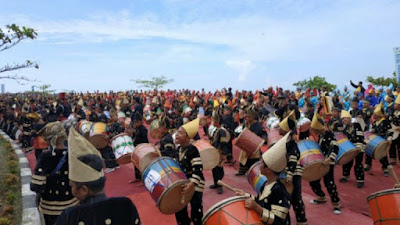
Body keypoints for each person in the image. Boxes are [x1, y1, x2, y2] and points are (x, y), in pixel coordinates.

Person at [55, 128, 141, 225]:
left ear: (84, 190)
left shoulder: (70, 216)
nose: (72, 190)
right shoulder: (125, 205)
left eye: (72, 186)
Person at [235, 132, 292, 225]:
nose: (259, 165)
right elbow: (261, 202)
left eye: (262, 163)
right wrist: (247, 196)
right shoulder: (265, 184)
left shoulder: (280, 191)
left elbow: (280, 220)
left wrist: (258, 208)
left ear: (268, 170)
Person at [30, 122, 79, 225]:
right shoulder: (73, 153)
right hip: (71, 202)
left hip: (50, 207)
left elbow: (36, 186)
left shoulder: (45, 156)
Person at [278, 110, 308, 225]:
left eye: (281, 127)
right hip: (287, 172)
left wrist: (289, 175)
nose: (278, 129)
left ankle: (302, 220)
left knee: (296, 198)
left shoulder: (291, 143)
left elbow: (293, 159)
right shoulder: (285, 140)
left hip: (293, 174)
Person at [308, 112, 341, 215]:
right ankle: (321, 197)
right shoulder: (320, 137)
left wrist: (330, 158)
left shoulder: (330, 135)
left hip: (328, 163)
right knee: (313, 180)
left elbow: (335, 147)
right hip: (320, 163)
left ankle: (336, 204)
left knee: (329, 183)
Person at [174, 118, 204, 225]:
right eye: (177, 132)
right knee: (179, 209)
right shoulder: (178, 149)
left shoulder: (192, 150)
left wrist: (191, 184)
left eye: (180, 133)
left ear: (187, 137)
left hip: (195, 183)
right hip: (184, 183)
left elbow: (198, 169)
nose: (176, 134)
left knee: (196, 209)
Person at [236, 106, 266, 176]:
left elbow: (263, 135)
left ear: (253, 117)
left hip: (254, 146)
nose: (247, 118)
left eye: (249, 117)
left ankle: (253, 172)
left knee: (253, 160)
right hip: (246, 144)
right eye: (247, 117)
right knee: (243, 157)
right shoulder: (246, 124)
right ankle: (242, 171)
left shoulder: (257, 125)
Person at [339, 110, 365, 188]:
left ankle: (360, 180)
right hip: (350, 148)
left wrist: (358, 148)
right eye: (342, 119)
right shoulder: (345, 129)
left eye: (345, 118)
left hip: (358, 147)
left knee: (358, 164)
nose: (344, 120)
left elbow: (360, 137)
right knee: (347, 162)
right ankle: (345, 176)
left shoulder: (357, 125)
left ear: (349, 118)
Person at [364, 103, 391, 176]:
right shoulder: (375, 123)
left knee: (382, 155)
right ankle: (368, 165)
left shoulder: (385, 121)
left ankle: (386, 168)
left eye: (375, 114)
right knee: (368, 151)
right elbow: (372, 131)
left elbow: (390, 130)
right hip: (374, 139)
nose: (373, 115)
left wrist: (389, 138)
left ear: (378, 114)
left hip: (382, 140)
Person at [209, 110, 230, 194]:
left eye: (214, 120)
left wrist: (224, 154)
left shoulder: (221, 131)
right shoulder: (216, 130)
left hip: (220, 152)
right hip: (215, 152)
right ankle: (215, 183)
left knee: (219, 169)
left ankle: (220, 185)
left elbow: (224, 143)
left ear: (217, 122)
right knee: (214, 168)